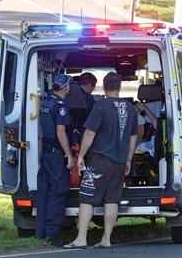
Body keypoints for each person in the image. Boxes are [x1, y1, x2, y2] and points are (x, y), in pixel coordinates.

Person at [64, 72, 138, 249]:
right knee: (112, 199)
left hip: (100, 159)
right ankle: (107, 239)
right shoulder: (130, 108)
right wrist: (128, 159)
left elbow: (90, 133)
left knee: (87, 198)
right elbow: (134, 136)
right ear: (119, 87)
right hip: (120, 161)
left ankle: (81, 239)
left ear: (104, 87)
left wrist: (81, 156)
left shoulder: (101, 106)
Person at [36, 74, 76, 247]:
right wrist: (69, 155)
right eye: (70, 85)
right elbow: (61, 132)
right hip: (56, 155)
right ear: (66, 87)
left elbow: (40, 131)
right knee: (57, 193)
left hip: (45, 154)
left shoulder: (44, 103)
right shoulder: (61, 107)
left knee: (44, 194)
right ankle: (53, 234)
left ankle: (41, 232)